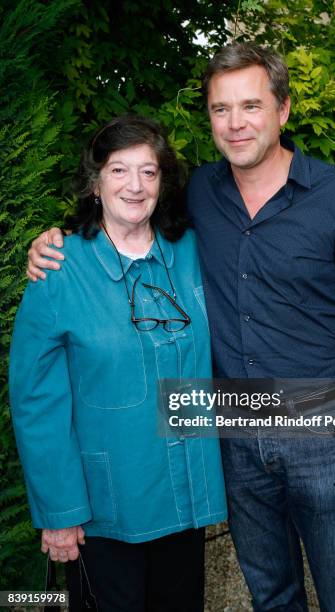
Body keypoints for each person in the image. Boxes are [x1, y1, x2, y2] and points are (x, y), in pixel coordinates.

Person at [25, 45, 335, 612]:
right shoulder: (84, 258)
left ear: (283, 110)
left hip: (299, 436)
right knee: (272, 595)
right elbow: (38, 401)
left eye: (251, 106)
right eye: (220, 110)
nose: (236, 124)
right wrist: (46, 242)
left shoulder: (324, 200)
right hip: (192, 459)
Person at [9, 115, 227, 612]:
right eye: (119, 170)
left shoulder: (191, 250)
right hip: (104, 512)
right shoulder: (58, 269)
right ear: (94, 181)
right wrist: (60, 513)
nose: (135, 186)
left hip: (185, 500)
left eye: (149, 172)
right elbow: (36, 403)